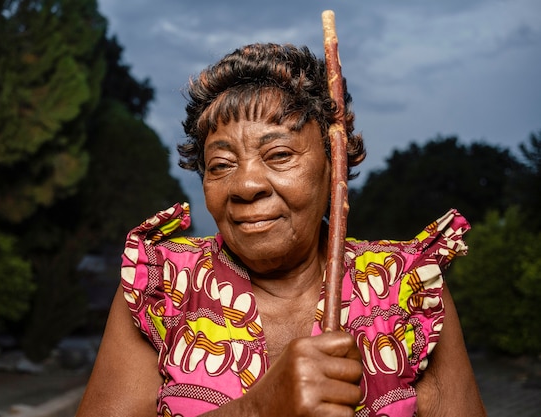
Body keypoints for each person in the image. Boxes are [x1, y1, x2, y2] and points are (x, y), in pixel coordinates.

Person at [76, 43, 486, 417]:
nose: (245, 185)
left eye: (279, 154)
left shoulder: (406, 289)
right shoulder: (162, 287)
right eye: (220, 165)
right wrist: (257, 409)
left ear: (332, 167)